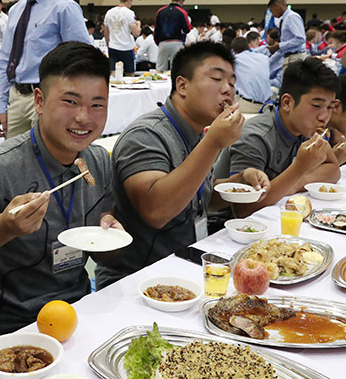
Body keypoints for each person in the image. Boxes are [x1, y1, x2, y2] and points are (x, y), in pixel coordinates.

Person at [0, 42, 124, 342]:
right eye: (70, 102)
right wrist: (5, 228)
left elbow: (105, 252)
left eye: (97, 105)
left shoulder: (98, 162)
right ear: (39, 101)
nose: (84, 117)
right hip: (11, 323)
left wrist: (112, 234)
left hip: (79, 311)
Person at [96, 41, 270, 289]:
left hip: (187, 265)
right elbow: (156, 211)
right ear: (182, 85)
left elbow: (199, 197)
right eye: (216, 79)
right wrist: (212, 144)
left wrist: (239, 181)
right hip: (138, 279)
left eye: (232, 83)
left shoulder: (198, 133)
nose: (227, 90)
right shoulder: (146, 135)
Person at [215, 58, 340, 217]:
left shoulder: (306, 129)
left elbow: (333, 168)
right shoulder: (255, 136)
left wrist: (296, 183)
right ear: (287, 102)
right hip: (224, 225)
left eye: (329, 107)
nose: (324, 117)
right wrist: (300, 169)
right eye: (316, 106)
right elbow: (244, 209)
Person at [0, 0, 91, 139]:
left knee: (45, 155)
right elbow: (5, 58)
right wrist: (0, 106)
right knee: (12, 154)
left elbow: (82, 59)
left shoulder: (64, 8)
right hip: (16, 96)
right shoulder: (16, 10)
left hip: (47, 96)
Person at [103, 0, 141, 74]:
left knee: (113, 74)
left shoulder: (109, 12)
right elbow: (136, 33)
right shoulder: (129, 13)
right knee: (129, 74)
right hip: (126, 47)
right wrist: (138, 24)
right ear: (129, 0)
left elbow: (106, 32)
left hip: (113, 47)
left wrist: (108, 44)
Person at [153, 0, 192, 71]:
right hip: (176, 42)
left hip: (163, 43)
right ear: (181, 0)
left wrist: (158, 43)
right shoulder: (182, 12)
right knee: (175, 69)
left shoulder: (160, 11)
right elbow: (187, 29)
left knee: (160, 68)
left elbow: (156, 30)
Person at [231, 36, 271, 113]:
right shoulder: (264, 58)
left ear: (234, 50)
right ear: (248, 46)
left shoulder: (235, 60)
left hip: (249, 105)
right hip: (267, 105)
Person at [267, 0, 307, 72]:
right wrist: (268, 62)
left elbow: (300, 39)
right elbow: (283, 47)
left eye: (272, 11)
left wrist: (279, 45)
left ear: (277, 6)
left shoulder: (291, 17)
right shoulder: (284, 19)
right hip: (289, 57)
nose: (272, 15)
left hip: (295, 58)